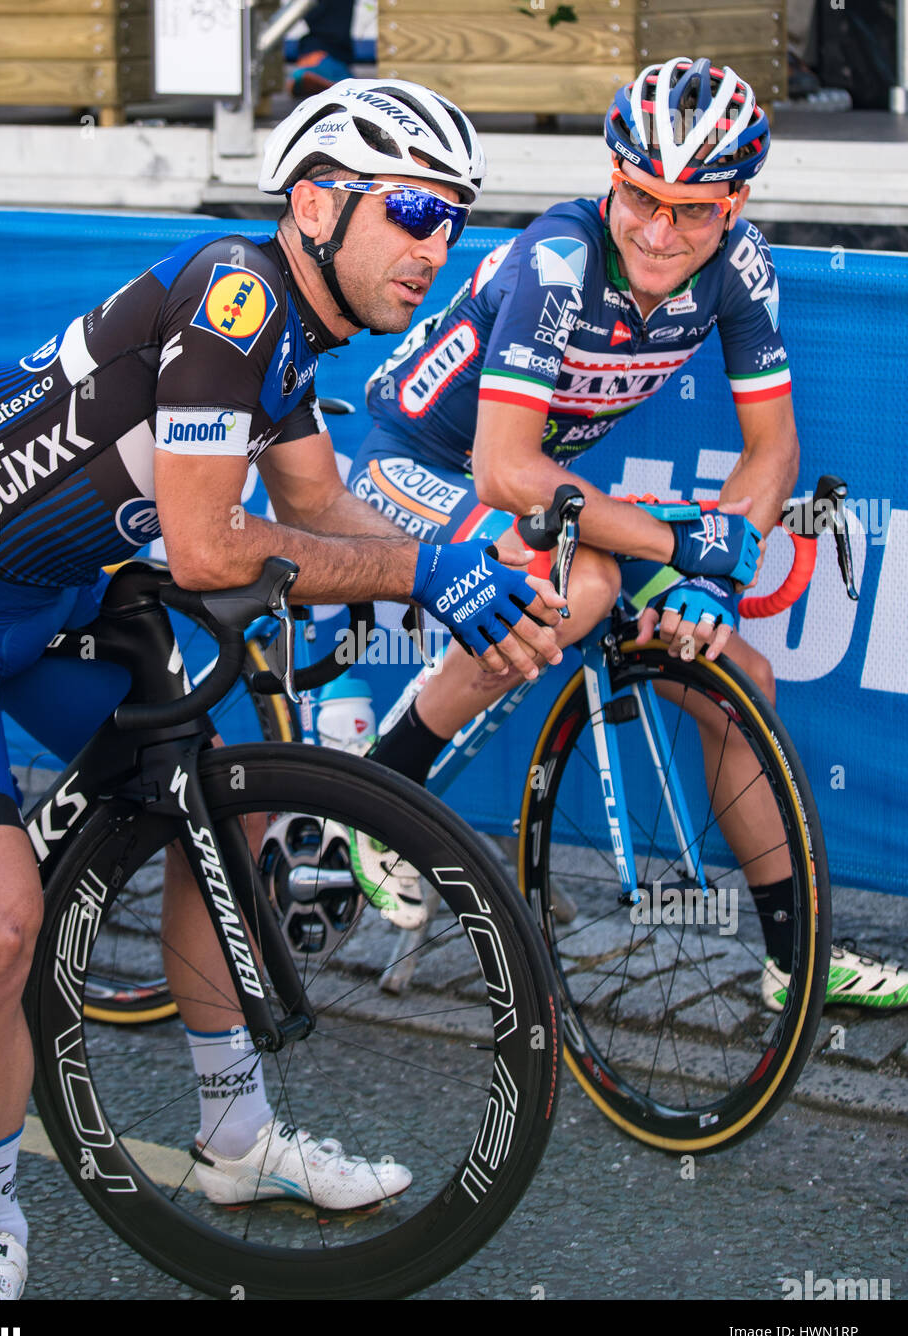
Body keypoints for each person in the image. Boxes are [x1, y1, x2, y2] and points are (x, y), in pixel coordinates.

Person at [0, 78, 568, 1300]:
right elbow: (205, 548)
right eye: (411, 210)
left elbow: (315, 513)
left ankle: (236, 1141)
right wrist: (425, 568)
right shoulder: (235, 294)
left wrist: (469, 585)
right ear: (314, 203)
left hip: (54, 599)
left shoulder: (294, 334)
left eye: (455, 218)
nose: (435, 247)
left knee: (223, 803)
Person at [348, 56, 908, 1011]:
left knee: (744, 685)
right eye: (642, 198)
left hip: (524, 481)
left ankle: (794, 962)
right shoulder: (557, 260)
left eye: (693, 209)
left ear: (734, 203)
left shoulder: (738, 268)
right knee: (584, 587)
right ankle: (375, 786)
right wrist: (682, 545)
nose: (659, 231)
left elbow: (771, 452)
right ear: (612, 178)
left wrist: (715, 580)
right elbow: (508, 472)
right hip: (414, 464)